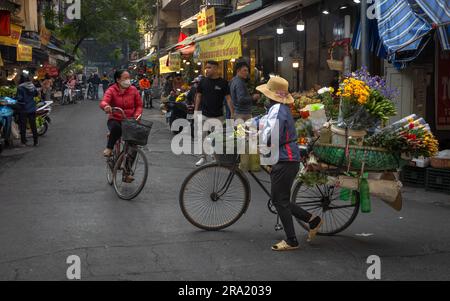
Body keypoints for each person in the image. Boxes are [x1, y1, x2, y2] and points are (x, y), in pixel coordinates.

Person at [255, 76, 323, 251]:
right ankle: (312, 219)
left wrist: (260, 141)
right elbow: (264, 121)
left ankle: (292, 240)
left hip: (285, 159)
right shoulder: (279, 108)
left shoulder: (277, 108)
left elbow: (272, 134)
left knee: (279, 200)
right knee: (281, 199)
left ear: (270, 95)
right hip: (286, 158)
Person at [194, 60, 235, 167]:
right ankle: (202, 157)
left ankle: (214, 157)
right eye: (206, 67)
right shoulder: (202, 81)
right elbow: (198, 96)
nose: (206, 69)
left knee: (216, 138)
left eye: (209, 67)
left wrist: (232, 112)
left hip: (218, 116)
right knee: (202, 136)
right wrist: (196, 110)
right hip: (204, 114)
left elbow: (228, 98)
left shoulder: (223, 83)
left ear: (216, 69)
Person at [99, 69, 143, 161]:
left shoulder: (133, 90)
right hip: (115, 118)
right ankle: (109, 148)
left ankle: (127, 172)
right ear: (118, 80)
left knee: (134, 144)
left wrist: (137, 114)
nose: (128, 80)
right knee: (116, 128)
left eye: (129, 78)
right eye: (125, 78)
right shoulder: (111, 90)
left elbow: (139, 105)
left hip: (130, 120)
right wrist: (106, 106)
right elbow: (104, 101)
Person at [16, 73, 39, 147]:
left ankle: (23, 141)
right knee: (33, 125)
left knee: (23, 125)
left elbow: (20, 98)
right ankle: (36, 141)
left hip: (24, 109)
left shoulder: (20, 87)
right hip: (32, 108)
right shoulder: (32, 85)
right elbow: (36, 94)